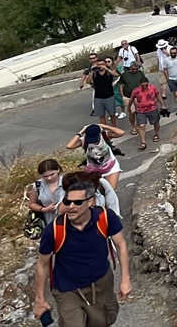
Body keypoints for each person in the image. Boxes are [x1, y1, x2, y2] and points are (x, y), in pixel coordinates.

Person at [32, 177, 131, 327]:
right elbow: (42, 264)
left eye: (77, 202)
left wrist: (125, 279)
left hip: (101, 283)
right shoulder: (54, 230)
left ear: (90, 202)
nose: (71, 206)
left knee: (104, 321)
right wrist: (39, 299)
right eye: (67, 202)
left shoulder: (105, 217)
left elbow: (121, 244)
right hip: (67, 290)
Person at [65, 124, 126, 190]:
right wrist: (81, 132)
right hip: (93, 170)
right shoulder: (84, 140)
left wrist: (105, 126)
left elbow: (121, 132)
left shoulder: (105, 136)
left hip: (110, 167)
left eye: (96, 140)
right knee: (95, 191)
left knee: (111, 190)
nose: (94, 142)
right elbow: (69, 146)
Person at [25, 159, 64, 226]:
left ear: (58, 170)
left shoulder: (68, 182)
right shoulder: (37, 186)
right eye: (45, 176)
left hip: (67, 221)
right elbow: (31, 204)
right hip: (47, 222)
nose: (49, 178)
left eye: (52, 174)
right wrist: (45, 209)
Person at [117, 61, 148, 134]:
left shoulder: (140, 73)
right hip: (128, 96)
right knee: (131, 112)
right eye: (132, 69)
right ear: (129, 67)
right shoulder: (125, 74)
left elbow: (144, 83)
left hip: (138, 96)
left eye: (135, 69)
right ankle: (133, 126)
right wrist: (122, 95)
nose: (134, 71)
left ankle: (138, 125)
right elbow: (121, 84)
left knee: (139, 111)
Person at [130, 78, 162, 147]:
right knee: (141, 125)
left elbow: (158, 96)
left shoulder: (153, 88)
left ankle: (156, 134)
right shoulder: (136, 91)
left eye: (146, 85)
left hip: (152, 108)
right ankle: (143, 142)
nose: (144, 87)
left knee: (155, 122)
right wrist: (129, 107)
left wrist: (163, 105)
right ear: (140, 84)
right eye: (142, 86)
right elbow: (131, 99)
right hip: (141, 110)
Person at [89, 59, 119, 128]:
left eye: (102, 64)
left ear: (105, 64)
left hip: (109, 96)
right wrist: (91, 71)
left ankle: (114, 127)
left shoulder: (109, 72)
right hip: (98, 97)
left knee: (112, 114)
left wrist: (107, 69)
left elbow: (116, 75)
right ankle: (105, 128)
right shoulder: (95, 73)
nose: (100, 66)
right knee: (101, 115)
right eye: (98, 65)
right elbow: (88, 81)